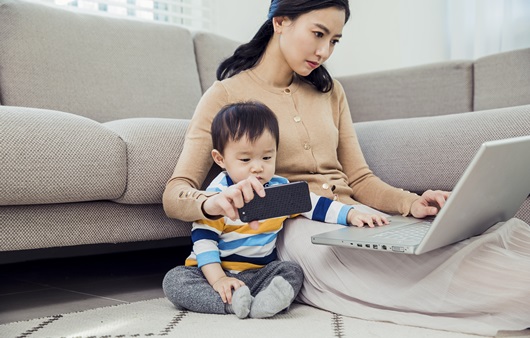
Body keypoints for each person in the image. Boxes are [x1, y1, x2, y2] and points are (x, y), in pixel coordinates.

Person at [162, 0, 530, 334]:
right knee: (435, 273)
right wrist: (212, 204)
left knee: (472, 236)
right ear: (281, 22)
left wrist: (410, 203)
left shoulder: (330, 91)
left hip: (353, 214)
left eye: (335, 40)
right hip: (296, 224)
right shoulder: (225, 96)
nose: (324, 51)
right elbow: (176, 192)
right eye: (318, 34)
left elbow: (359, 178)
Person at [164, 101, 383, 319]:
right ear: (220, 159)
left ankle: (261, 304)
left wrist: (351, 214)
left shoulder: (279, 190)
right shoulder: (219, 195)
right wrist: (219, 280)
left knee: (292, 271)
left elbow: (316, 205)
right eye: (245, 159)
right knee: (174, 281)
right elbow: (204, 242)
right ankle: (231, 304)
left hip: (259, 273)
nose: (258, 167)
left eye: (267, 157)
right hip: (212, 272)